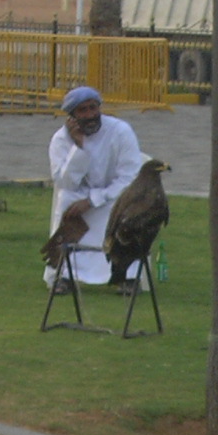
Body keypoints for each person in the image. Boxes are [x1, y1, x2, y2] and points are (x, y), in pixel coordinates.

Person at [44, 86, 144, 289]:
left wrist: (93, 200)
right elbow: (65, 183)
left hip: (114, 195)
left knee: (129, 208)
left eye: (93, 108)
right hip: (78, 198)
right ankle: (63, 274)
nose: (90, 115)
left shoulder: (120, 131)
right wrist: (77, 147)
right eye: (82, 110)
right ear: (71, 116)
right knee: (66, 200)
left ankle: (127, 276)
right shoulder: (60, 140)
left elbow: (130, 177)